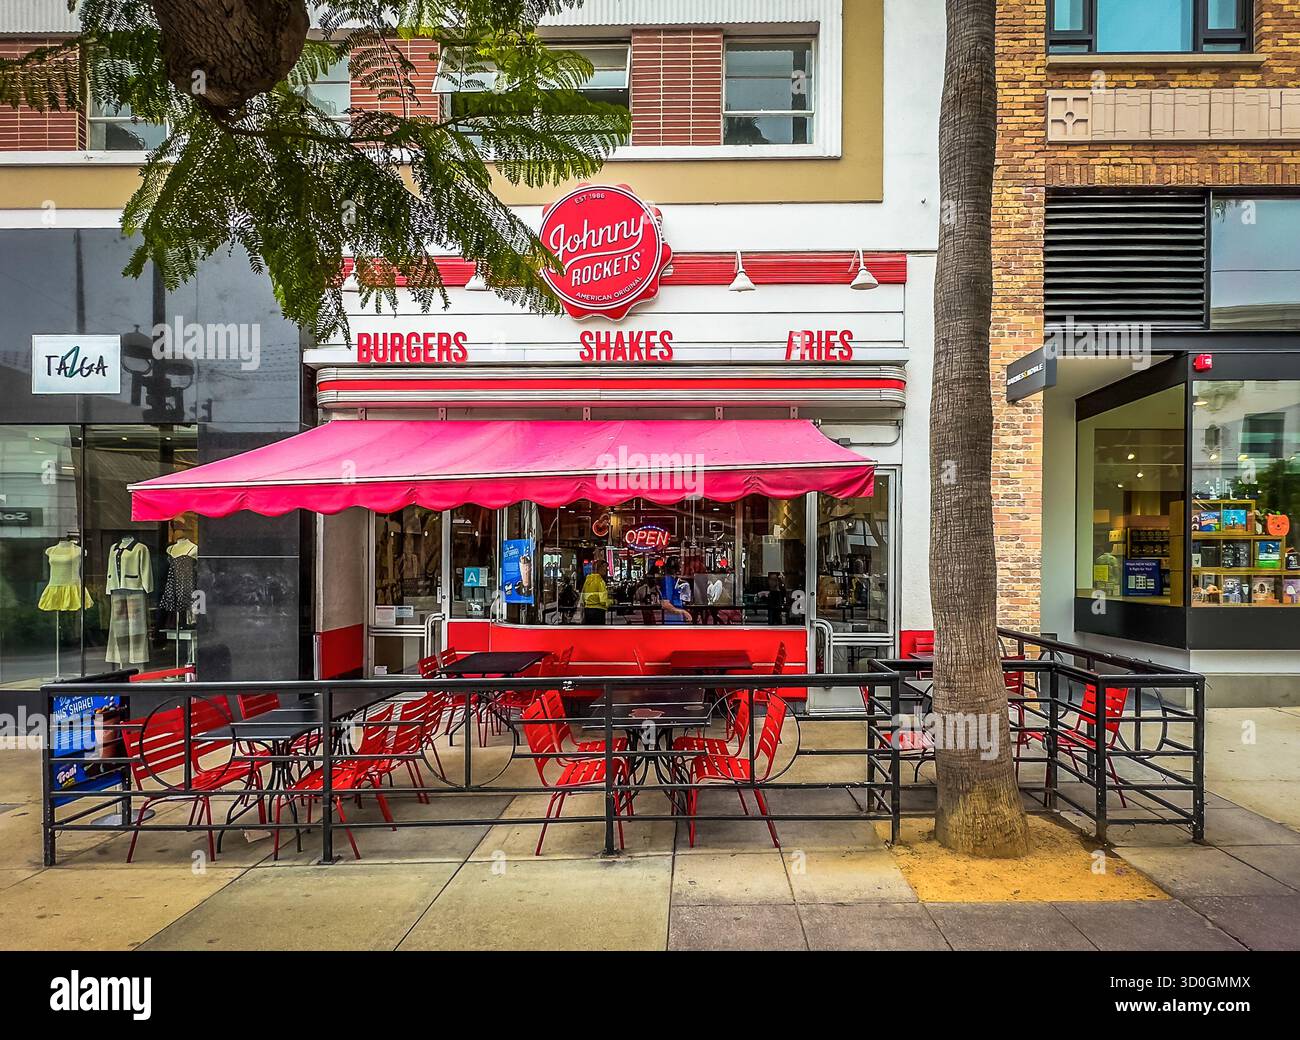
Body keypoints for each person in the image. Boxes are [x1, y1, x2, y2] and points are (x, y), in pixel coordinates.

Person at [581, 560, 611, 625]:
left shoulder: (588, 580)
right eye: (606, 568)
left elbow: (583, 596)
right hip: (598, 612)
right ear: (601, 568)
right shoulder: (600, 581)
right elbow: (603, 601)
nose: (607, 570)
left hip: (587, 610)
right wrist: (611, 602)